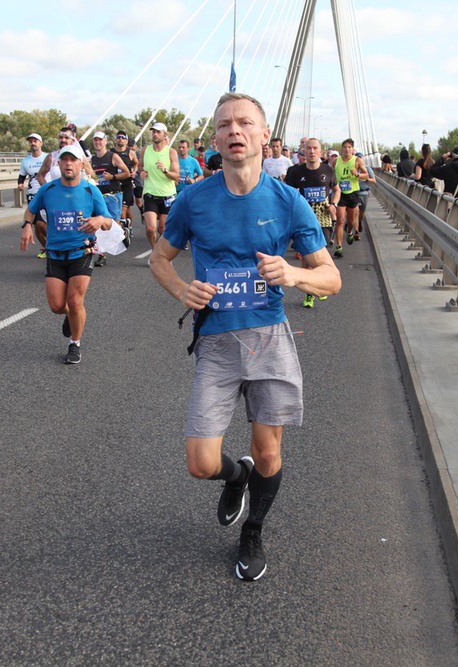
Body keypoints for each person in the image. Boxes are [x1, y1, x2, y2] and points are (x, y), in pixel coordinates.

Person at [149, 92, 341, 581]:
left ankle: (253, 530)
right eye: (225, 124)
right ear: (215, 138)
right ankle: (236, 476)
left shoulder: (287, 200)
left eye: (245, 123)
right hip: (216, 342)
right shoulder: (194, 199)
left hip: (269, 337)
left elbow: (331, 278)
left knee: (270, 451)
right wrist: (182, 290)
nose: (235, 130)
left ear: (263, 134)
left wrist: (293, 275)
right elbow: (159, 258)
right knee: (200, 462)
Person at [20, 142, 114, 364]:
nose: (69, 164)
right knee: (56, 306)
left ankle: (75, 344)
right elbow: (30, 211)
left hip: (82, 251)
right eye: (65, 160)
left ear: (81, 164)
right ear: (59, 164)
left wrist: (99, 220)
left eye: (73, 160)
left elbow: (110, 222)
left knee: (75, 301)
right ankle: (70, 316)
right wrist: (26, 226)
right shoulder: (48, 190)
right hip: (55, 254)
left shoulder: (91, 191)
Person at [285, 137, 340, 307]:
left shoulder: (328, 170)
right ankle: (309, 293)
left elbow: (336, 189)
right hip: (304, 218)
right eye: (308, 148)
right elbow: (288, 194)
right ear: (303, 151)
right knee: (307, 255)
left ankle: (319, 284)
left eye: (315, 148)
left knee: (321, 254)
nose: (312, 151)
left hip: (323, 217)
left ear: (321, 152)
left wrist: (333, 204)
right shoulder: (295, 171)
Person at [91, 131, 131, 266]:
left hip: (113, 195)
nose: (98, 142)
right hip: (98, 196)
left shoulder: (112, 156)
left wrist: (112, 177)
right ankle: (101, 255)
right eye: (95, 140)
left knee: (113, 226)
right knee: (99, 225)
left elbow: (126, 173)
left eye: (100, 140)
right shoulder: (92, 160)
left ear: (105, 141)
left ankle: (123, 231)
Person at [140, 121, 180, 255]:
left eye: (158, 132)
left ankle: (162, 253)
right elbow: (140, 166)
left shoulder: (171, 152)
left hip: (167, 196)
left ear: (165, 135)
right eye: (153, 132)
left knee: (163, 229)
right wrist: (141, 172)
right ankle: (155, 251)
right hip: (150, 194)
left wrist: (165, 170)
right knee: (150, 229)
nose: (155, 134)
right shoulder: (145, 150)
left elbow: (176, 176)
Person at [333, 138, 371, 256]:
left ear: (352, 149)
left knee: (350, 220)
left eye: (349, 147)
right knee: (340, 220)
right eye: (345, 147)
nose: (347, 149)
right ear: (342, 148)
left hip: (352, 193)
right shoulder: (336, 161)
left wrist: (358, 174)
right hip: (340, 193)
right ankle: (339, 247)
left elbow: (367, 175)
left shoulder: (357, 160)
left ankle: (349, 231)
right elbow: (331, 174)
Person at [19, 133, 48, 259]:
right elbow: (21, 176)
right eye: (31, 141)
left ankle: (55, 245)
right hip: (32, 195)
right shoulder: (26, 161)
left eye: (35, 141)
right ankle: (47, 248)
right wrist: (20, 184)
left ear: (41, 143)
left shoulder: (47, 158)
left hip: (45, 193)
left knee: (42, 223)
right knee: (37, 226)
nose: (33, 143)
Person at [112, 129, 138, 234]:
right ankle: (121, 230)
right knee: (118, 209)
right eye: (118, 137)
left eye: (123, 138)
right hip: (115, 184)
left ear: (126, 141)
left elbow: (136, 163)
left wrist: (134, 171)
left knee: (125, 209)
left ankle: (128, 227)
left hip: (127, 184)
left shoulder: (130, 153)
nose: (120, 139)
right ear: (115, 140)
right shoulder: (111, 153)